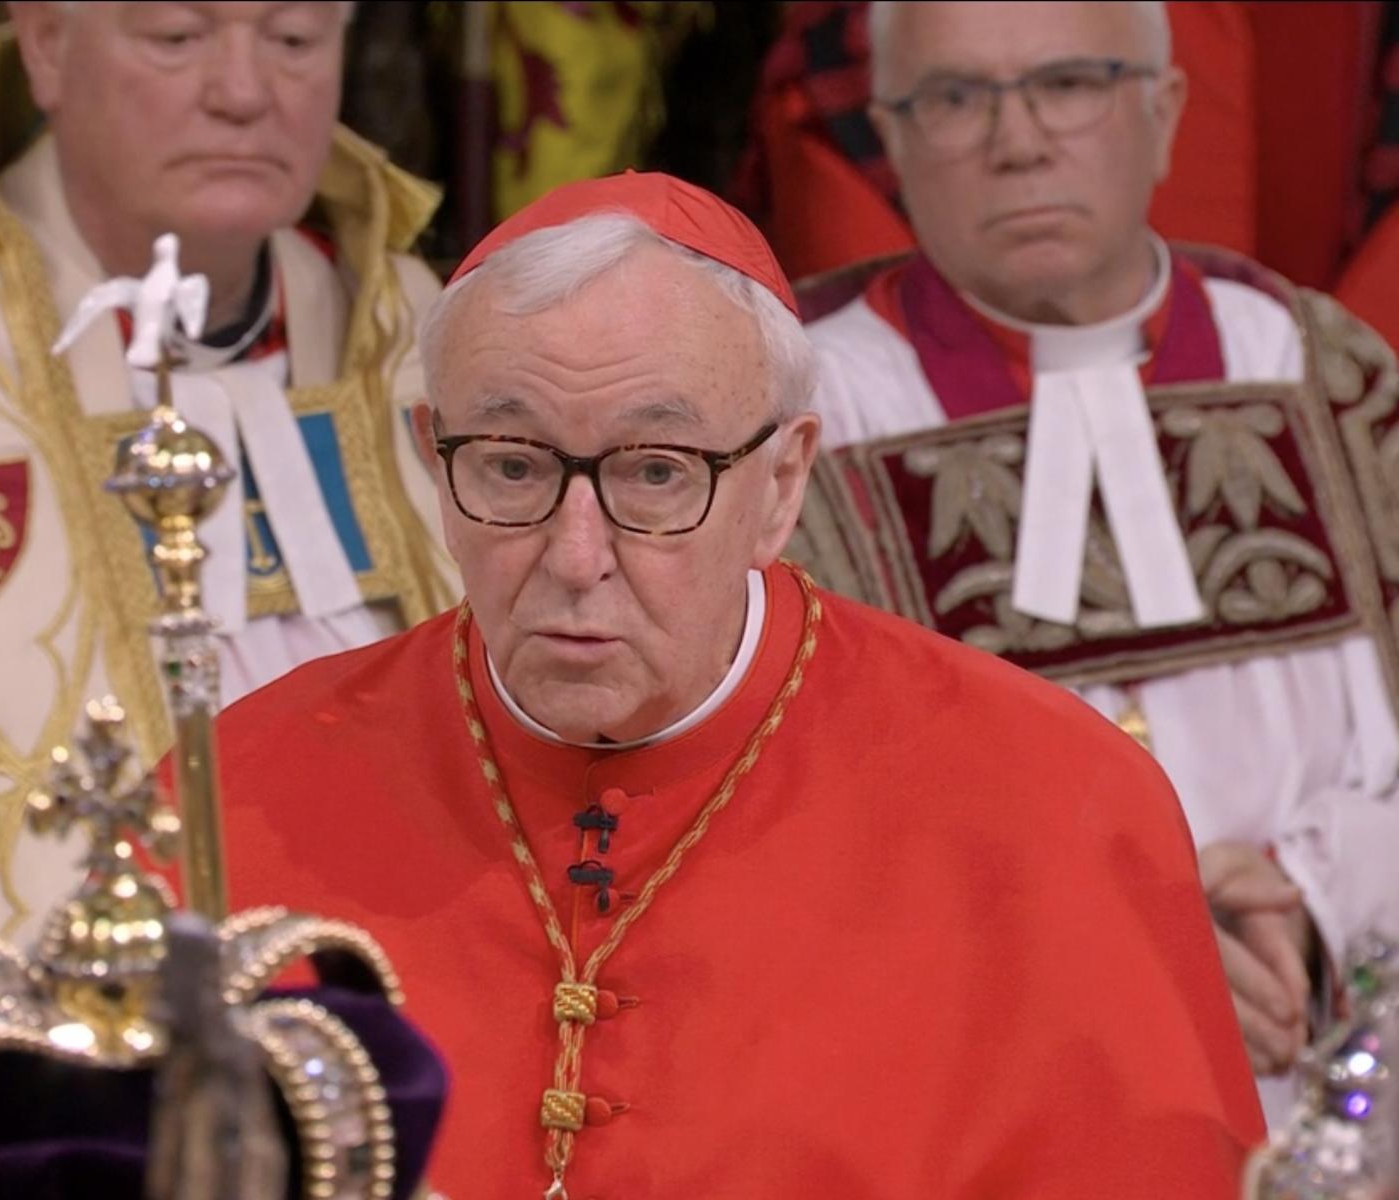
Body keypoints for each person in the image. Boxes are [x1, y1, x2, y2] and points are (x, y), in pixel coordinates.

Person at [212, 170, 1264, 1196]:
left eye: (656, 472)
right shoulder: (241, 795)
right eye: (513, 465)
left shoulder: (1051, 808)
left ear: (780, 484)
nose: (576, 556)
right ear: (434, 464)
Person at [0, 1, 457, 1057]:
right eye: (177, 37)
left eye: (293, 39)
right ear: (47, 47)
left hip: (413, 1031)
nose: (243, 91)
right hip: (58, 1082)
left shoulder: (418, 334)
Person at [798, 0, 1399, 1125]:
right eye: (955, 98)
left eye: (1069, 84)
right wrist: (1125, 933)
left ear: (1163, 113)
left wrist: (1309, 896)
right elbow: (790, 814)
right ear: (892, 136)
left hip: (1341, 1052)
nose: (1018, 142)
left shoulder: (1313, 367)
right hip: (997, 1082)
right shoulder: (801, 413)